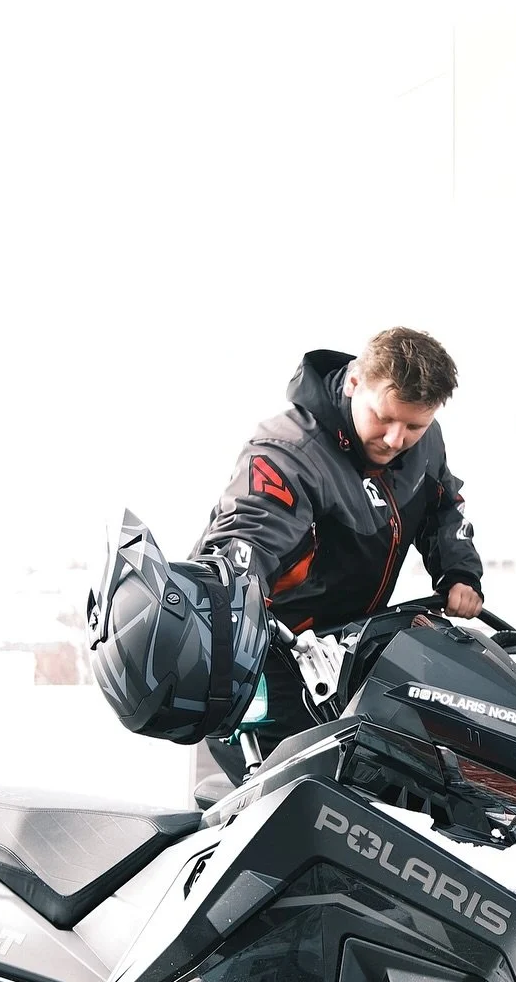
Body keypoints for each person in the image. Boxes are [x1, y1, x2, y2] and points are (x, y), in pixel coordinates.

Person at [196, 327, 483, 774]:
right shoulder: (289, 451)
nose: (395, 439)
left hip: (350, 654)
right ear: (353, 382)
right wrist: (230, 603)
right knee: (307, 800)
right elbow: (247, 537)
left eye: (414, 426)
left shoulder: (425, 442)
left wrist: (459, 572)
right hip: (273, 663)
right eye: (383, 418)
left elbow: (443, 506)